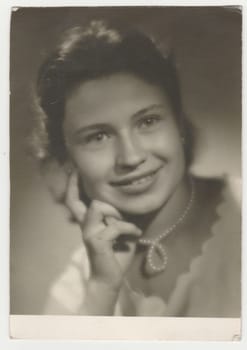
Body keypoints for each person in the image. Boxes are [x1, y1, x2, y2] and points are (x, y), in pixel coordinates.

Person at [33, 20, 241, 317]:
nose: (130, 157)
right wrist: (102, 290)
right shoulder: (79, 288)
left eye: (148, 121)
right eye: (98, 137)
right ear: (67, 159)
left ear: (179, 125)